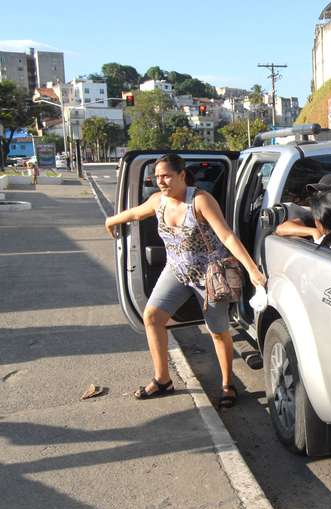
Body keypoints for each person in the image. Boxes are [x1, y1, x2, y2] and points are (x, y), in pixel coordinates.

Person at [105, 153, 265, 408]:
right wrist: (112, 220)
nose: (161, 181)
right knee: (152, 317)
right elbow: (136, 213)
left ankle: (226, 384)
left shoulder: (200, 200)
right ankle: (162, 379)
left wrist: (252, 270)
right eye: (157, 177)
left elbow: (227, 237)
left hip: (209, 276)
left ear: (182, 175)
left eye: (167, 175)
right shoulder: (159, 201)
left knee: (218, 331)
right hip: (176, 272)